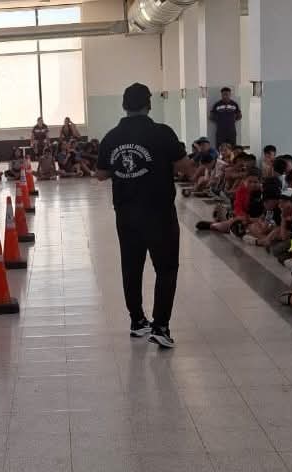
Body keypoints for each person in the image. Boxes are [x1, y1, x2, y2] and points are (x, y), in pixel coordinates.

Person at [96, 82, 193, 348]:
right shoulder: (162, 133)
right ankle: (160, 326)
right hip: (159, 213)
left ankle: (137, 321)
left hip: (126, 213)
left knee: (131, 267)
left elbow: (101, 174)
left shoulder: (112, 136)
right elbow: (185, 168)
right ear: (149, 104)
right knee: (166, 268)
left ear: (124, 105)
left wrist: (123, 170)